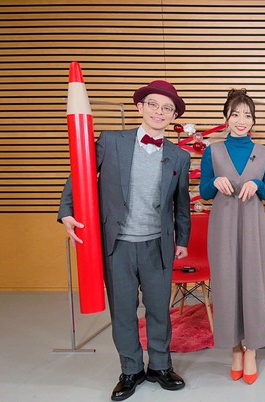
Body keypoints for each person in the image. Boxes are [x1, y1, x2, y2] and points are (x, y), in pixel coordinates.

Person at [58, 80, 191, 401]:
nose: (160, 112)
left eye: (167, 108)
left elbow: (181, 202)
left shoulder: (179, 156)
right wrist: (67, 211)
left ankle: (160, 366)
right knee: (123, 311)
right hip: (117, 245)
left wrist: (182, 239)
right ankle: (131, 370)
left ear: (174, 116)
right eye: (154, 105)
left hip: (157, 245)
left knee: (159, 310)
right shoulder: (111, 141)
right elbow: (81, 173)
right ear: (140, 107)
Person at [199, 88, 265, 385]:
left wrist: (258, 185)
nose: (241, 120)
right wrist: (215, 181)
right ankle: (234, 349)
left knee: (253, 284)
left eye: (247, 115)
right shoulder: (213, 151)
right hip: (223, 226)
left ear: (253, 120)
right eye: (235, 114)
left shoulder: (264, 153)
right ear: (226, 118)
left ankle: (252, 349)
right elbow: (205, 192)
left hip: (253, 226)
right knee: (225, 284)